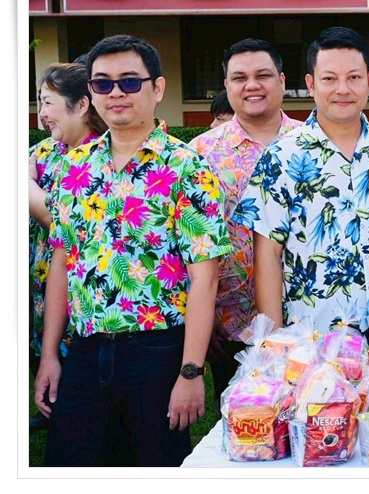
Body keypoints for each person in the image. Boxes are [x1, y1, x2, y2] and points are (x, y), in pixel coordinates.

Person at [34, 34, 233, 466]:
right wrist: (50, 355)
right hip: (85, 348)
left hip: (157, 352)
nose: (116, 93)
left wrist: (191, 371)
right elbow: (62, 262)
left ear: (157, 88)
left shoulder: (187, 167)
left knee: (156, 466)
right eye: (102, 84)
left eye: (129, 81)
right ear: (91, 93)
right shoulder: (73, 167)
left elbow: (205, 277)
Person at [240, 26, 369, 335]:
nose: (343, 89)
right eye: (329, 79)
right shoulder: (281, 157)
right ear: (311, 84)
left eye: (354, 77)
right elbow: (268, 254)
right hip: (311, 340)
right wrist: (274, 344)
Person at [188, 38, 303, 412]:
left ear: (282, 81)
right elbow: (189, 241)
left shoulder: (311, 144)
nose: (252, 85)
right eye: (239, 78)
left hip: (306, 316)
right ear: (226, 85)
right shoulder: (200, 154)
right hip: (230, 321)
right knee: (242, 422)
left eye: (263, 75)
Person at [28, 63, 107, 433]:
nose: (42, 113)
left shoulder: (102, 155)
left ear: (81, 105)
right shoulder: (43, 152)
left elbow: (62, 224)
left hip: (84, 296)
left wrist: (26, 188)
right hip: (43, 286)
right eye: (40, 103)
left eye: (49, 102)